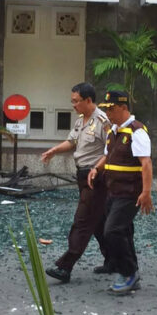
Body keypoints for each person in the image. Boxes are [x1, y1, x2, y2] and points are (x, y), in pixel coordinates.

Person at [41, 82, 111, 283]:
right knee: (99, 222)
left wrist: (98, 169)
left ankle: (65, 266)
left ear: (88, 100)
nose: (73, 105)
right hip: (82, 175)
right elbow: (72, 142)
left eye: (76, 101)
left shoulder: (102, 121)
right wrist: (54, 150)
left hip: (95, 178)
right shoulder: (82, 120)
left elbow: (111, 150)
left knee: (82, 221)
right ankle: (114, 260)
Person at [88, 90, 154, 294]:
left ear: (124, 108)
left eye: (113, 109)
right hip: (113, 191)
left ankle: (128, 273)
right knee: (123, 231)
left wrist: (146, 192)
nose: (109, 113)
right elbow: (107, 156)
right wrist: (96, 169)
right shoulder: (114, 131)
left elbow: (146, 164)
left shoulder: (137, 131)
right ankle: (130, 271)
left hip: (129, 192)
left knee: (113, 230)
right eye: (107, 109)